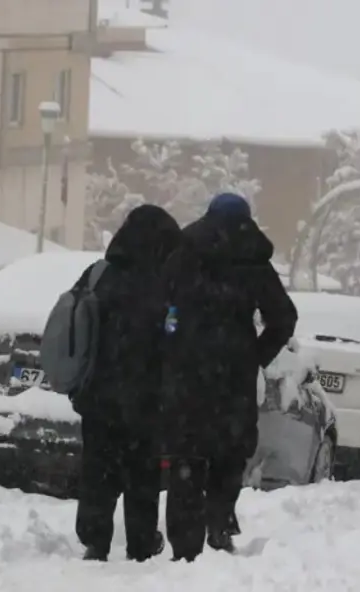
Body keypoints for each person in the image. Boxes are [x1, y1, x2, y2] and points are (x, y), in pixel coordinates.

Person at [159, 192, 298, 561]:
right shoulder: (254, 263)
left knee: (186, 457)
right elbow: (284, 317)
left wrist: (171, 345)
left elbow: (161, 305)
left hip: (188, 374)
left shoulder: (184, 254)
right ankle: (219, 523)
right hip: (233, 376)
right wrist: (255, 355)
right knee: (228, 454)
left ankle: (184, 546)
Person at [73, 204, 182, 562]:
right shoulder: (166, 286)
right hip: (146, 400)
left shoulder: (98, 275)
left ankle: (94, 539)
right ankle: (141, 542)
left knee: (97, 470)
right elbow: (176, 342)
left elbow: (77, 326)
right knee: (142, 475)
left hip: (98, 396)